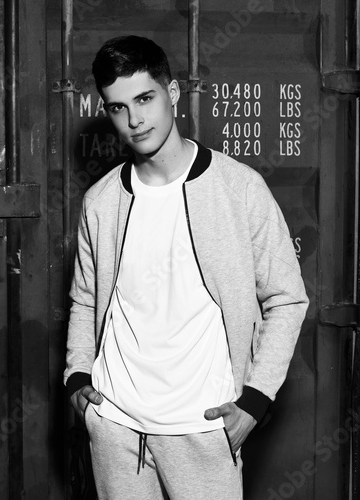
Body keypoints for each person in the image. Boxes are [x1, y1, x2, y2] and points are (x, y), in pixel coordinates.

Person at [64, 35, 308, 499]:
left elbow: (287, 298)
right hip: (115, 426)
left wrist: (254, 402)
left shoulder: (239, 189)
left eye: (145, 99)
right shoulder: (100, 202)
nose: (135, 120)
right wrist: (78, 376)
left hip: (204, 428)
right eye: (118, 108)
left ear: (172, 94)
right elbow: (85, 298)